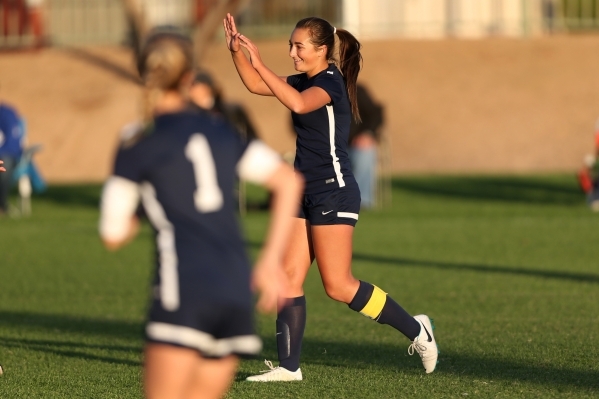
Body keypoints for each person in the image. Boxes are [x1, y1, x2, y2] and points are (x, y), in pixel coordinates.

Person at [223, 13, 439, 381]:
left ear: (322, 50)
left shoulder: (330, 81)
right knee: (288, 278)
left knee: (338, 286)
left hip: (333, 190)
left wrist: (259, 60)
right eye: (290, 45)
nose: (292, 52)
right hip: (302, 191)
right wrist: (236, 54)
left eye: (299, 46)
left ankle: (418, 330)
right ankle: (289, 368)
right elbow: (258, 86)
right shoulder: (306, 79)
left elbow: (299, 104)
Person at [98, 29, 303, 399]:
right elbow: (288, 182)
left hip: (184, 290)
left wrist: (146, 204)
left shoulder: (137, 140)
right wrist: (270, 260)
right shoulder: (219, 129)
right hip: (235, 290)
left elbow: (112, 235)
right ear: (189, 77)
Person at [348, 83, 384, 209]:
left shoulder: (356, 91)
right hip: (326, 146)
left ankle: (361, 201)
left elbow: (375, 114)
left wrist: (368, 134)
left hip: (355, 144)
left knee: (365, 153)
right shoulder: (316, 91)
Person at [0, 97, 25, 215]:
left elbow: (12, 142)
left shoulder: (7, 114)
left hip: (5, 155)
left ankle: (2, 205)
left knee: (5, 165)